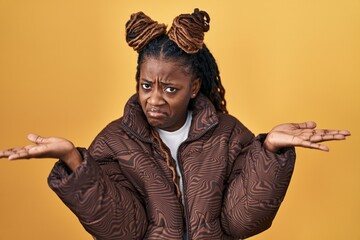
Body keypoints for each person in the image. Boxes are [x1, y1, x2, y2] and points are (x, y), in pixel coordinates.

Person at [0, 9, 350, 240]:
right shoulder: (113, 142)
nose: (155, 99)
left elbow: (242, 221)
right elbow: (124, 229)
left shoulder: (228, 134)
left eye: (170, 89)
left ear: (193, 87)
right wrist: (75, 164)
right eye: (146, 86)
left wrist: (270, 152)